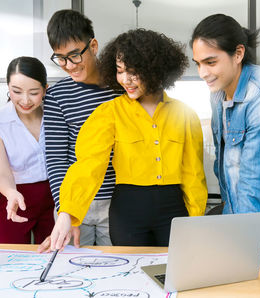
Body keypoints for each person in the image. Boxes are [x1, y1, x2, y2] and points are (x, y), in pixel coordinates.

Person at [38, 28, 207, 251]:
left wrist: (196, 220)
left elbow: (193, 174)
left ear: (154, 70)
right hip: (127, 213)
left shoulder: (185, 114)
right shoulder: (108, 113)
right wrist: (66, 214)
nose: (125, 79)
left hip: (174, 212)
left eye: (133, 71)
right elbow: (89, 165)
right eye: (119, 71)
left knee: (176, 277)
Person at [191, 14, 260, 289]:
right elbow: (225, 162)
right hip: (238, 220)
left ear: (238, 53)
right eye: (198, 64)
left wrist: (246, 246)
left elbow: (254, 181)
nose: (203, 72)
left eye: (211, 62)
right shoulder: (218, 92)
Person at [43, 9, 119, 246]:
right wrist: (66, 210)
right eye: (60, 58)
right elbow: (56, 160)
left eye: (75, 55)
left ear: (93, 46)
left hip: (118, 204)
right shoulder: (56, 95)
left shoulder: (122, 87)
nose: (68, 65)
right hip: (75, 205)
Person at [0, 57, 55, 244]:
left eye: (34, 92)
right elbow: (2, 173)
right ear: (8, 87)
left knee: (54, 258)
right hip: (14, 197)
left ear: (45, 89)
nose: (25, 100)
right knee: (11, 259)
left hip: (53, 197)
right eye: (16, 91)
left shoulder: (56, 116)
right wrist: (11, 193)